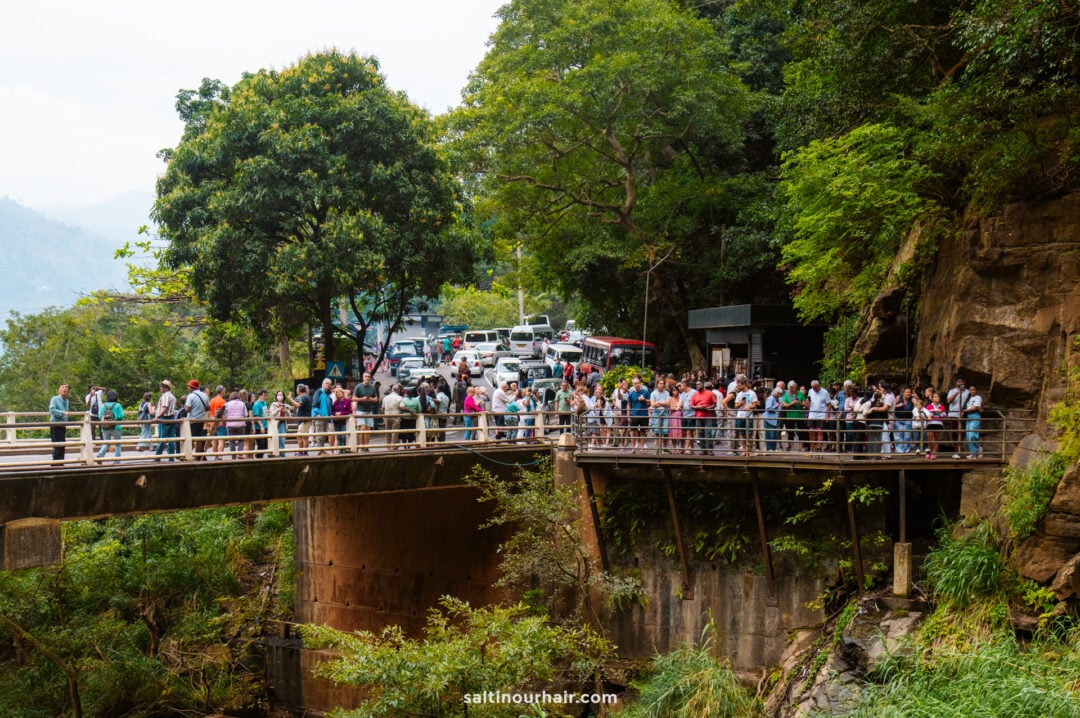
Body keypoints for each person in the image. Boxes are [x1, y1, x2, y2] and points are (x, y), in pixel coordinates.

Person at [352, 371, 379, 450]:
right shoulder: (359, 387)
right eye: (366, 376)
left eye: (368, 377)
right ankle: (361, 445)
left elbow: (376, 399)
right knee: (363, 428)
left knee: (368, 429)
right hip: (360, 410)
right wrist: (362, 399)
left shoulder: (372, 387)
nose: (367, 378)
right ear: (363, 378)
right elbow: (353, 398)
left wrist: (371, 399)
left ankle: (366, 446)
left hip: (369, 410)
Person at [184, 380, 210, 459]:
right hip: (201, 420)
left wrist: (185, 407)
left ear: (192, 387)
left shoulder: (190, 396)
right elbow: (208, 408)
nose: (188, 388)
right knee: (198, 437)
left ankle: (189, 455)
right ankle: (197, 454)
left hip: (192, 420)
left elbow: (187, 409)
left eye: (189, 387)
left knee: (190, 438)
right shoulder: (205, 395)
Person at [96, 389, 125, 460]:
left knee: (106, 443)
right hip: (116, 427)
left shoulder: (103, 405)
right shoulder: (118, 405)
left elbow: (100, 416)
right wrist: (116, 419)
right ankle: (117, 461)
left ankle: (100, 455)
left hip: (105, 427)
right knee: (117, 444)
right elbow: (121, 416)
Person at [153, 380, 178, 461]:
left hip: (164, 418)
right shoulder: (172, 396)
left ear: (167, 388)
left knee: (162, 439)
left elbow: (165, 407)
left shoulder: (166, 396)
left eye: (163, 386)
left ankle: (157, 457)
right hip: (171, 418)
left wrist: (157, 416)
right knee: (171, 439)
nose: (161, 387)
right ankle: (171, 458)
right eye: (160, 386)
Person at [946, 377, 969, 459]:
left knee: (961, 432)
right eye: (958, 381)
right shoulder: (952, 391)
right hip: (953, 414)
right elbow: (948, 401)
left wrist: (964, 411)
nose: (960, 383)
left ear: (964, 382)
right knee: (954, 432)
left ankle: (959, 449)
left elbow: (968, 402)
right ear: (956, 383)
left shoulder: (967, 392)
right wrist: (957, 392)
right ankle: (956, 450)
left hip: (961, 415)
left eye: (962, 381)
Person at [49, 383, 71, 462]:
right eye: (62, 387)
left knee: (62, 444)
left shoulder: (66, 400)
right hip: (55, 424)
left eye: (66, 387)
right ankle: (57, 462)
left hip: (62, 425)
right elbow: (52, 410)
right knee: (58, 444)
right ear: (59, 389)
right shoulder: (55, 399)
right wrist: (63, 413)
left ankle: (60, 462)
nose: (64, 389)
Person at [806, 380, 830, 452]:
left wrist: (827, 416)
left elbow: (829, 404)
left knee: (820, 430)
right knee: (811, 430)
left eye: (815, 388)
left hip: (821, 413)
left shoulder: (825, 392)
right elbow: (809, 400)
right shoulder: (810, 391)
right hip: (812, 413)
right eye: (813, 388)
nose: (814, 389)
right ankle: (812, 446)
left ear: (818, 386)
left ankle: (819, 446)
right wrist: (807, 403)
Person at [288, 384, 312, 455]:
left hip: (305, 420)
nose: (296, 391)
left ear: (299, 390)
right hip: (302, 420)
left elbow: (298, 405)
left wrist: (290, 399)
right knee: (300, 436)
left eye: (297, 389)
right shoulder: (302, 397)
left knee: (303, 437)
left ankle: (304, 452)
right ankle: (301, 451)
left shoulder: (305, 397)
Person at [224, 391, 249, 457]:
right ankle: (240, 454)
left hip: (230, 425)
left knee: (231, 441)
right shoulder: (242, 404)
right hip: (240, 424)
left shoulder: (227, 404)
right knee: (241, 440)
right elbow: (246, 414)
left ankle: (233, 456)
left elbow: (225, 414)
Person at [310, 378, 334, 448]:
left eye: (329, 384)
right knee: (320, 435)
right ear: (323, 384)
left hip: (326, 417)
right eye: (327, 383)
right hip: (319, 416)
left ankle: (322, 449)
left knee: (324, 435)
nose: (328, 385)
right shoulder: (319, 392)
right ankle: (321, 450)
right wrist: (317, 414)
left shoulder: (328, 394)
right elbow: (314, 403)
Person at [649, 379, 671, 452]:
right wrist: (663, 403)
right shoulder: (653, 393)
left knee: (665, 430)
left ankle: (665, 448)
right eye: (660, 383)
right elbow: (652, 405)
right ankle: (658, 448)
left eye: (663, 383)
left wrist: (659, 403)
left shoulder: (667, 393)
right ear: (657, 384)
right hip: (656, 412)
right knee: (657, 431)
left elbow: (668, 404)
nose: (662, 385)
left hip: (665, 412)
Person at [269, 390, 292, 456]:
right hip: (275, 424)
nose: (280, 396)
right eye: (278, 395)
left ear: (283, 396)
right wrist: (278, 409)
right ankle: (275, 455)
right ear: (276, 396)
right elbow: (271, 414)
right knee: (275, 440)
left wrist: (286, 411)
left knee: (282, 440)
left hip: (282, 424)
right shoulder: (273, 405)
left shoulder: (287, 406)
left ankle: (282, 456)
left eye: (281, 395)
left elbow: (289, 416)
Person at [382, 384, 405, 448]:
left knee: (388, 431)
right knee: (395, 432)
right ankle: (394, 446)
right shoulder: (400, 398)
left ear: (392, 389)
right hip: (396, 416)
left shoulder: (385, 398)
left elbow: (383, 408)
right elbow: (402, 407)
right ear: (398, 390)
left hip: (386, 416)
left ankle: (388, 445)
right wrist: (410, 411)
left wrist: (383, 416)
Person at [963, 384, 983, 459]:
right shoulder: (968, 398)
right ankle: (974, 451)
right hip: (968, 416)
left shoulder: (978, 397)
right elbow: (965, 406)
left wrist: (965, 410)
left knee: (972, 435)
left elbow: (975, 407)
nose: (972, 391)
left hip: (975, 415)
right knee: (968, 436)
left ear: (976, 390)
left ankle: (975, 452)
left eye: (973, 390)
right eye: (971, 390)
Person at [208, 385, 228, 458]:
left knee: (214, 440)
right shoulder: (222, 401)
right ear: (222, 391)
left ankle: (215, 456)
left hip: (212, 422)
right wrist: (225, 422)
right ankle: (220, 456)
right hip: (220, 423)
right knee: (221, 440)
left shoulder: (212, 400)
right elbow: (224, 414)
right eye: (224, 390)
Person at [925, 392, 946, 460]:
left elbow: (944, 415)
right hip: (930, 423)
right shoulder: (929, 406)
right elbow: (926, 414)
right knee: (930, 438)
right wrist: (933, 412)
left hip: (938, 423)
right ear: (932, 398)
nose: (937, 398)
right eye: (935, 397)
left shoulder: (942, 406)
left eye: (938, 397)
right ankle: (930, 452)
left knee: (936, 439)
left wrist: (939, 413)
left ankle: (934, 453)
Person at [331, 386, 352, 452]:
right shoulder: (335, 402)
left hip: (344, 421)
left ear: (342, 393)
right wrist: (335, 414)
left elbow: (349, 411)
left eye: (340, 392)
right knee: (339, 436)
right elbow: (333, 411)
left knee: (344, 435)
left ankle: (345, 448)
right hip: (337, 421)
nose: (339, 393)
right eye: (337, 392)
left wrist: (341, 413)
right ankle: (340, 449)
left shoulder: (347, 401)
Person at [763, 386, 782, 452]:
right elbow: (768, 409)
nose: (780, 395)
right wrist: (775, 406)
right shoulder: (771, 398)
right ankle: (769, 448)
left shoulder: (777, 399)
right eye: (779, 393)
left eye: (780, 394)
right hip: (769, 419)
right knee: (770, 434)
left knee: (774, 434)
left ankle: (773, 448)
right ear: (776, 392)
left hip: (774, 419)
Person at [252, 389, 269, 458]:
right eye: (264, 395)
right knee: (261, 444)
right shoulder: (256, 404)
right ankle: (259, 457)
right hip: (259, 427)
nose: (265, 397)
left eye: (266, 395)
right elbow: (256, 416)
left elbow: (265, 414)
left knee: (266, 445)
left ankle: (258, 455)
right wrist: (261, 426)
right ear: (260, 395)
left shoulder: (264, 403)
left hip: (266, 426)